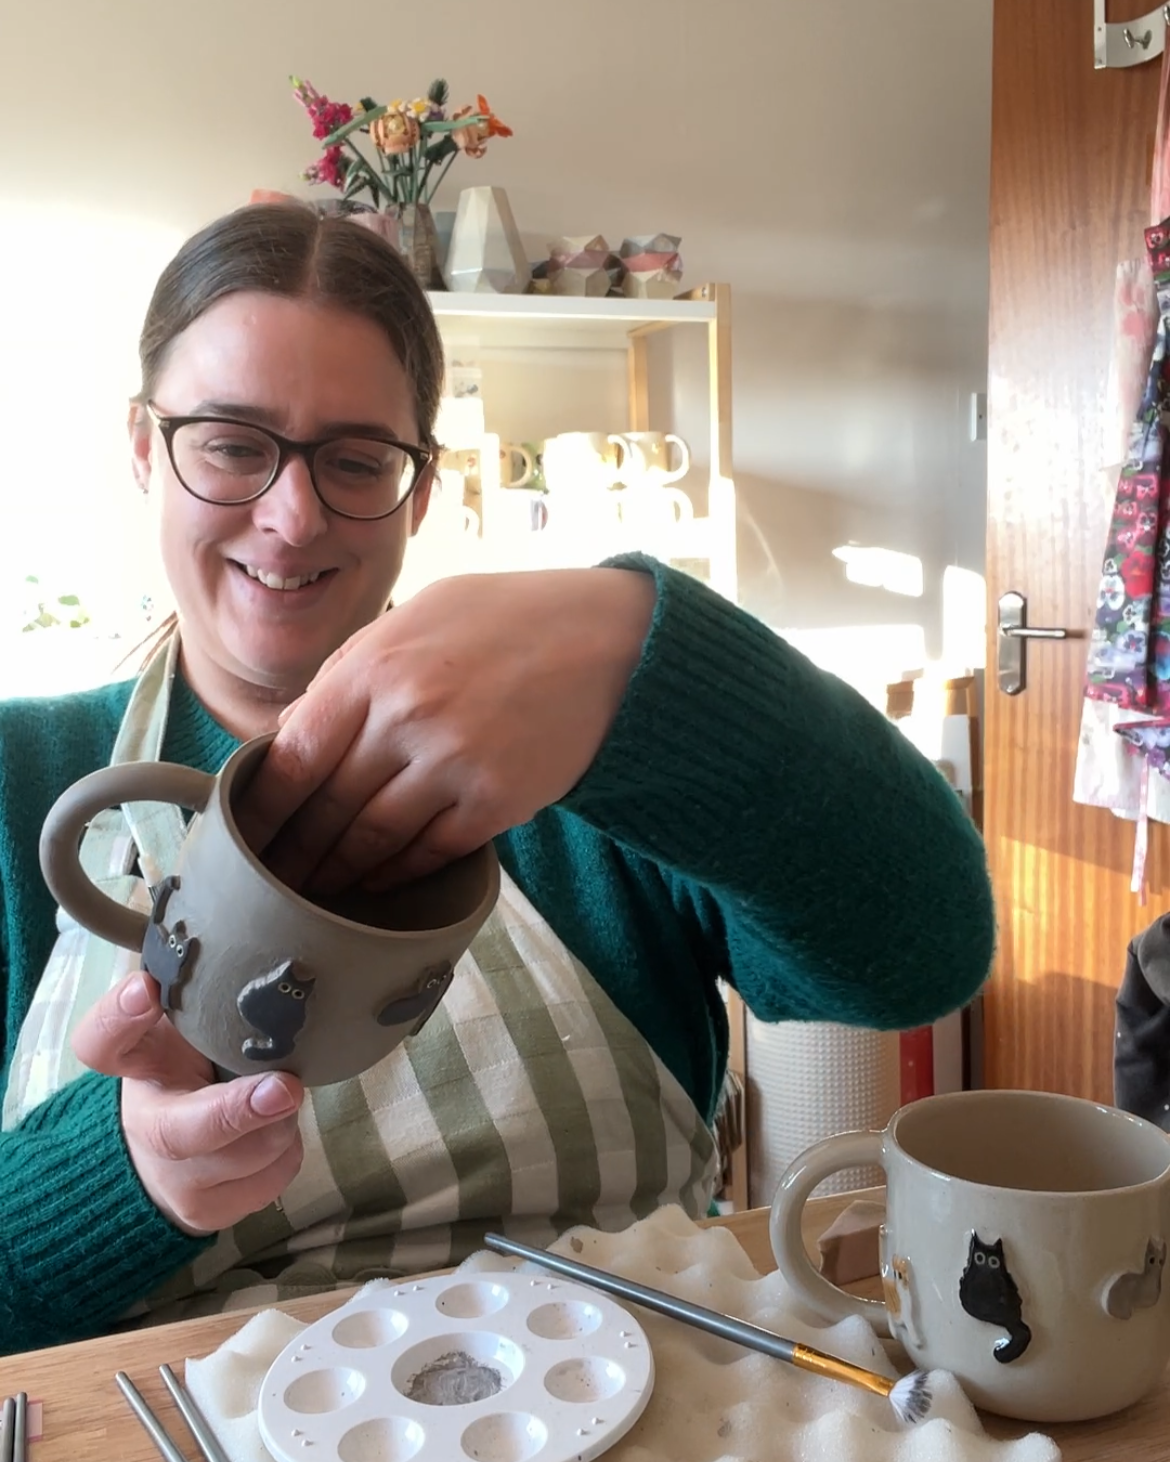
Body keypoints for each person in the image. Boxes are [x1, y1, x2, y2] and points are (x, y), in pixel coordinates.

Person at [0, 201, 995, 1355]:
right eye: (230, 443)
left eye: (357, 459)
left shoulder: (581, 766)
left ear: (420, 489)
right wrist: (122, 1175)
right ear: (143, 448)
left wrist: (643, 652)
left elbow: (922, 952)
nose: (290, 514)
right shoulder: (28, 778)